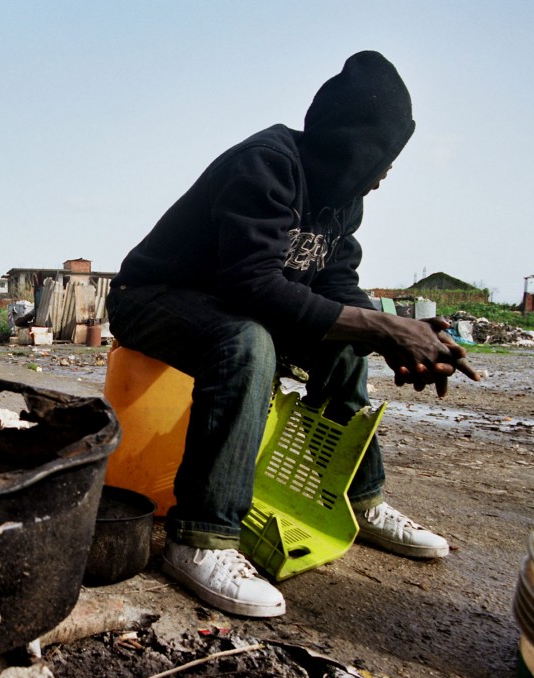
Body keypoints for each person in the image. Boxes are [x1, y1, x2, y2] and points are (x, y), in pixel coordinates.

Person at [106, 51, 479, 618]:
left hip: (226, 304)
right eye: (385, 157)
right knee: (247, 342)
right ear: (356, 142)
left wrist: (392, 336)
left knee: (345, 350)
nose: (385, 174)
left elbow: (335, 281)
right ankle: (200, 538)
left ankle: (360, 500)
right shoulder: (267, 163)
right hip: (152, 299)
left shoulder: (343, 200)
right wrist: (383, 325)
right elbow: (251, 283)